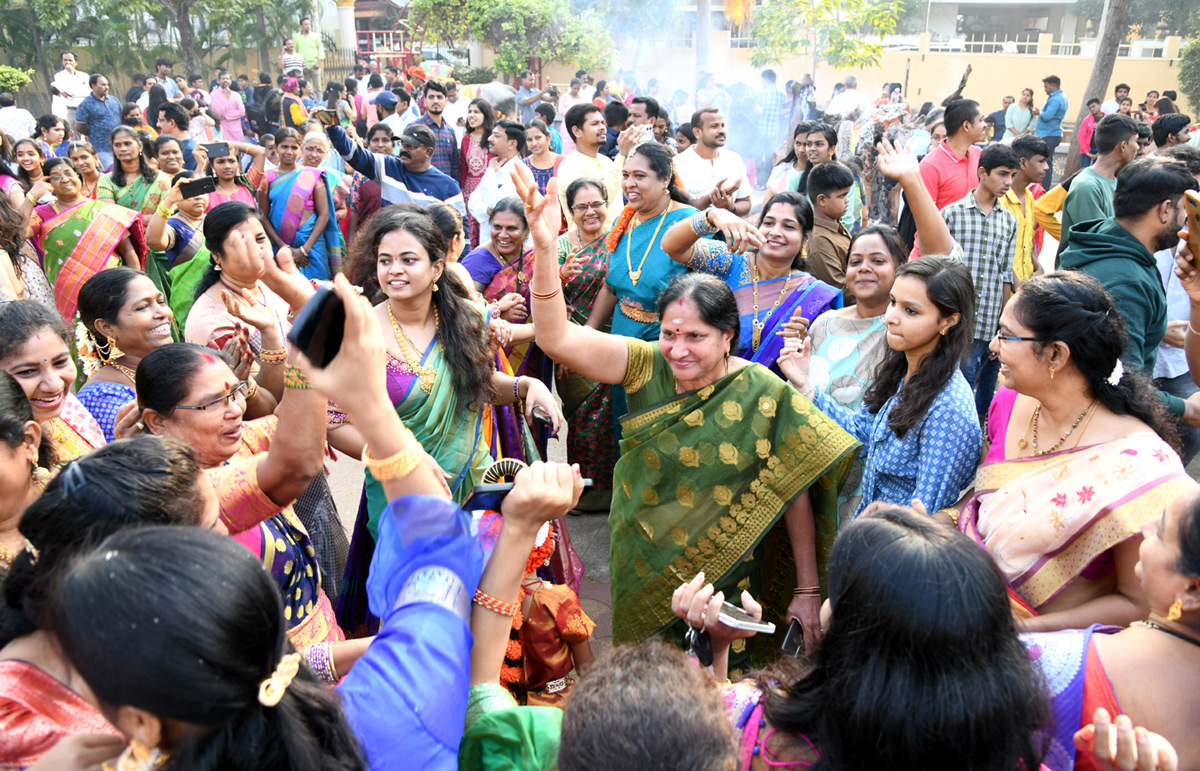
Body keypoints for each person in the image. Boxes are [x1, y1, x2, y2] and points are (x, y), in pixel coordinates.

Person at [523, 168, 857, 663]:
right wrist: (546, 250)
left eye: (695, 337)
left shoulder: (762, 389)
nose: (678, 351)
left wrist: (808, 591)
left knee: (723, 674)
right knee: (651, 674)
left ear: (728, 337)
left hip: (732, 566)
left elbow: (793, 487)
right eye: (669, 333)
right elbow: (556, 339)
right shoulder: (643, 364)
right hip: (643, 554)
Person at [670, 506, 1051, 771]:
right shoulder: (1008, 754)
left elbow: (699, 733)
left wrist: (714, 649)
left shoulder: (762, 730)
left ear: (845, 625)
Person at [333, 206, 567, 634]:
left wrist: (525, 385)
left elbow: (479, 385)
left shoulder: (468, 318)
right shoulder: (359, 329)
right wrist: (403, 456)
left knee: (485, 607)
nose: (394, 271)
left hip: (474, 487)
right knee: (421, 617)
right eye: (385, 261)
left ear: (438, 266)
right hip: (401, 497)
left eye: (408, 259)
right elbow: (333, 422)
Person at [953, 271, 1192, 634]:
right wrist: (944, 518)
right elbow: (990, 499)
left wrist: (1021, 633)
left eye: (1006, 335)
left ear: (1055, 354)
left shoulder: (1138, 463)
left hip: (1048, 652)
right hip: (964, 602)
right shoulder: (1008, 400)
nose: (993, 346)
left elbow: (1137, 603)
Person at [779, 191, 981, 513]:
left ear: (948, 322)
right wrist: (805, 385)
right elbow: (862, 433)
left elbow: (925, 516)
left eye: (911, 311)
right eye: (893, 303)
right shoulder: (903, 372)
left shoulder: (947, 409)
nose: (890, 317)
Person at [1061, 157, 1200, 429]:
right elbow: (1122, 381)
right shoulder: (1128, 281)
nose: (1185, 222)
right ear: (1165, 211)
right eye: (1184, 212)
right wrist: (1187, 409)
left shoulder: (1101, 238)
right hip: (1103, 424)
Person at [552, 178, 617, 510]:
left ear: (606, 204)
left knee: (612, 419)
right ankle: (586, 494)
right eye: (582, 206)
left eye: (596, 204)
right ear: (570, 210)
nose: (590, 212)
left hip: (617, 339)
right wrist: (561, 274)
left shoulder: (620, 239)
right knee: (583, 420)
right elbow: (545, 296)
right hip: (573, 344)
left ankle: (614, 490)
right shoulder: (561, 246)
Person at [942, 143, 1020, 421]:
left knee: (989, 383)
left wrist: (1006, 320)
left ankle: (986, 437)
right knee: (962, 379)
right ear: (982, 172)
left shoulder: (1009, 221)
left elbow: (1004, 272)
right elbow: (942, 268)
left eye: (1012, 176)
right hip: (961, 316)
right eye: (1002, 174)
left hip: (990, 318)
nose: (1008, 182)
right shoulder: (952, 214)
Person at [22, 158, 144, 322]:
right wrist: (31, 196)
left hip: (113, 290)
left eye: (68, 173)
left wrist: (138, 286)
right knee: (82, 341)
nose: (64, 179)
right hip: (70, 295)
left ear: (78, 176)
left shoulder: (105, 211)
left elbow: (128, 251)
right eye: (56, 177)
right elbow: (20, 232)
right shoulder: (42, 214)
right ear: (48, 184)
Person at [600, 142, 698, 340]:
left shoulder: (690, 223)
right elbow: (610, 288)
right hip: (621, 336)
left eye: (639, 176)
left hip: (669, 340)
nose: (629, 184)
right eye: (626, 175)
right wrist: (588, 330)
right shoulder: (623, 221)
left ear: (665, 179)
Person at [74, 269, 175, 441]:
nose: (162, 313)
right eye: (143, 307)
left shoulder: (175, 365)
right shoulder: (102, 396)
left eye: (161, 301)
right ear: (106, 327)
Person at [0, 302, 106, 466]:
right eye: (27, 372)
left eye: (60, 362)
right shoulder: (6, 450)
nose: (54, 385)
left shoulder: (69, 406)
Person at [258, 127, 343, 281]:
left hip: (312, 244)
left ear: (300, 149)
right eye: (284, 146)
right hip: (281, 243)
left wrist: (305, 249)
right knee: (286, 291)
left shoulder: (312, 175)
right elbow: (263, 215)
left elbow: (324, 215)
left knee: (318, 291)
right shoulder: (267, 178)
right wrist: (283, 246)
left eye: (294, 147)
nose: (289, 152)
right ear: (275, 148)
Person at [327, 122, 464, 213]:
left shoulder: (448, 187)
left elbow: (461, 233)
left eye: (411, 146)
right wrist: (333, 128)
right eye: (403, 144)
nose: (404, 149)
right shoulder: (388, 167)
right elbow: (355, 155)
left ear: (428, 152)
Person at [1058, 113, 1140, 257]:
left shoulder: (1114, 183)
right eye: (1136, 141)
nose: (1138, 147)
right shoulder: (1087, 186)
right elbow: (1099, 242)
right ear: (1123, 146)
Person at [913, 98, 985, 256]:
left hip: (970, 251)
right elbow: (924, 220)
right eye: (981, 120)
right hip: (936, 257)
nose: (985, 125)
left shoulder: (979, 156)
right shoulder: (930, 166)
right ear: (966, 126)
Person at [145, 171, 214, 324]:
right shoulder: (174, 225)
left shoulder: (214, 220)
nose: (198, 196)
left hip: (219, 300)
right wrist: (169, 201)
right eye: (191, 192)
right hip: (189, 305)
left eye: (202, 191)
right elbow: (155, 240)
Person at [557, 103, 626, 229]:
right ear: (577, 131)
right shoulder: (570, 166)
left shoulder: (607, 162)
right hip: (589, 245)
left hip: (617, 240)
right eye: (595, 124)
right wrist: (621, 155)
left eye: (602, 123)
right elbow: (599, 202)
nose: (602, 128)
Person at [674, 108, 751, 217]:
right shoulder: (677, 164)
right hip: (693, 233)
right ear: (697, 132)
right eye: (714, 126)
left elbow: (746, 202)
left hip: (728, 232)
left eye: (722, 126)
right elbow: (677, 210)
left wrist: (730, 208)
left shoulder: (734, 159)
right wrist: (711, 198)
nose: (721, 131)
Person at [1001, 134, 1050, 285]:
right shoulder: (1001, 200)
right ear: (1023, 162)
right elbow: (999, 254)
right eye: (1041, 161)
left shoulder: (1029, 197)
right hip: (1006, 289)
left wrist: (1038, 268)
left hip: (1026, 283)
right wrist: (1018, 287)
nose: (1046, 167)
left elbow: (1027, 243)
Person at [469, 119, 528, 236]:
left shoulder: (519, 172)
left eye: (496, 136)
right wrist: (486, 210)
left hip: (507, 243)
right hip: (488, 240)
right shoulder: (496, 167)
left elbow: (496, 205)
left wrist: (490, 172)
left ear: (512, 144)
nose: (490, 138)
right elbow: (472, 202)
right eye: (492, 134)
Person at [804, 161, 855, 291]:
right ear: (822, 200)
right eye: (841, 196)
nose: (847, 200)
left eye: (847, 194)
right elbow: (839, 288)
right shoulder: (820, 240)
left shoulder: (835, 224)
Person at [414, 80, 460, 180]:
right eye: (431, 97)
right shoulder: (414, 128)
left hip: (446, 191)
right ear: (425, 101)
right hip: (421, 190)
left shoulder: (449, 131)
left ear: (446, 101)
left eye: (439, 97)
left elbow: (455, 168)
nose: (435, 101)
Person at [73, 74, 121, 169]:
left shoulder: (114, 101)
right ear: (93, 86)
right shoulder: (85, 105)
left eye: (107, 85)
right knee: (111, 171)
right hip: (101, 148)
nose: (106, 87)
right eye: (102, 85)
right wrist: (95, 132)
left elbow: (122, 117)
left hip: (119, 146)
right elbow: (80, 126)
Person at [1036, 75, 1068, 189]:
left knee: (1045, 163)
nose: (1045, 89)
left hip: (1048, 134)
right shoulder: (1059, 97)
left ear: (1053, 85)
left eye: (1046, 86)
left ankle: (1043, 188)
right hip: (1050, 133)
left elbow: (1047, 116)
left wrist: (1038, 112)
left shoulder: (1056, 99)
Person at [766, 121, 811, 195]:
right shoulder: (781, 170)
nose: (801, 150)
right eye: (798, 143)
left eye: (806, 144)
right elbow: (766, 205)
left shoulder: (818, 174)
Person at [524, 118, 561, 196]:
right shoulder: (523, 166)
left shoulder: (562, 163)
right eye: (529, 140)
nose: (534, 143)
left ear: (548, 137)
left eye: (538, 138)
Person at [155, 101, 197, 170]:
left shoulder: (188, 151)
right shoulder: (191, 146)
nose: (158, 124)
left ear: (171, 123)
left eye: (161, 120)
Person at [49, 50, 89, 121]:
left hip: (84, 110)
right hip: (70, 111)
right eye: (65, 60)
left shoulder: (84, 76)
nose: (67, 62)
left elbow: (88, 92)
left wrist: (77, 93)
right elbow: (70, 92)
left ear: (76, 63)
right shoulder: (59, 76)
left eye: (70, 60)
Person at [209, 70, 246, 142]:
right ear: (218, 81)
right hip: (223, 129)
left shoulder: (236, 95)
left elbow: (242, 112)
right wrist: (228, 98)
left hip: (236, 130)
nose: (225, 80)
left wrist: (226, 116)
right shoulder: (214, 95)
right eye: (223, 79)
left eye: (227, 78)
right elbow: (218, 113)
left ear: (231, 81)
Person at [1078, 98, 1103, 168]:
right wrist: (1086, 152)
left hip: (1101, 150)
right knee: (1083, 169)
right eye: (1090, 108)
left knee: (1098, 169)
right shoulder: (1086, 120)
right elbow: (1081, 136)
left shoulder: (1106, 119)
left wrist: (1102, 151)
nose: (1092, 109)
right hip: (1087, 150)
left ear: (1100, 105)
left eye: (1093, 106)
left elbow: (1109, 136)